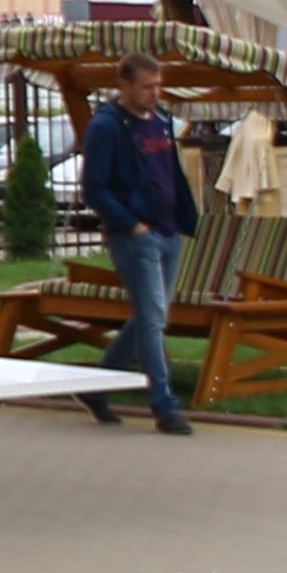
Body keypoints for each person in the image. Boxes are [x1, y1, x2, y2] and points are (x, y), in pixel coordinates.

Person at [74, 54, 194, 432]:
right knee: (153, 318)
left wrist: (183, 218)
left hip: (168, 230)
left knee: (149, 317)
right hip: (135, 236)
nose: (154, 93)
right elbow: (94, 188)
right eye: (146, 87)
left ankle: (96, 388)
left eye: (158, 86)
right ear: (124, 85)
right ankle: (164, 405)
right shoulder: (107, 127)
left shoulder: (161, 121)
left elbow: (171, 173)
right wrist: (132, 225)